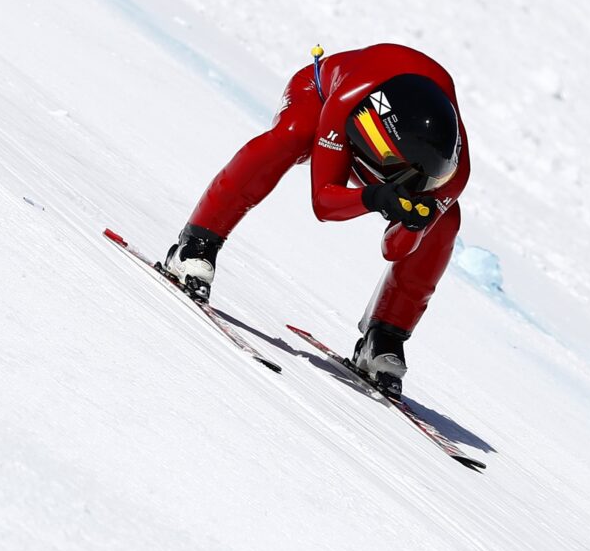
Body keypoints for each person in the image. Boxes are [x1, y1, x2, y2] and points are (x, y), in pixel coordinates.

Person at [163, 43, 471, 397]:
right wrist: (372, 197)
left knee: (445, 221)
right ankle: (195, 246)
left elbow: (393, 249)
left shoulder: (455, 174)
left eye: (429, 182)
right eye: (406, 176)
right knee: (292, 134)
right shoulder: (349, 102)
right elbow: (324, 201)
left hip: (391, 142)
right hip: (322, 95)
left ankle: (385, 337)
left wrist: (413, 223)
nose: (421, 189)